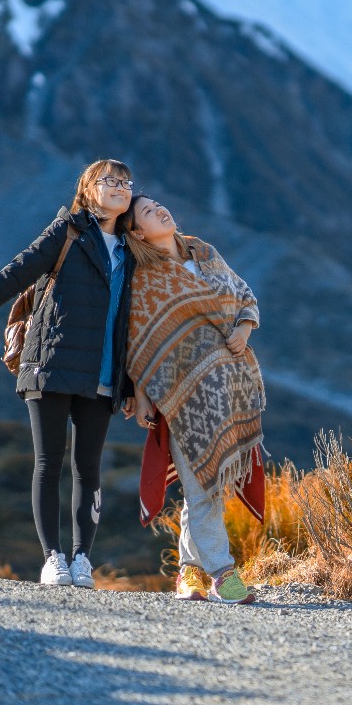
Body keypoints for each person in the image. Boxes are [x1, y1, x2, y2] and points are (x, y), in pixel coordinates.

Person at [0, 160, 138, 588]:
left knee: (88, 469)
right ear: (88, 190)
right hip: (51, 364)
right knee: (48, 462)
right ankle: (53, 558)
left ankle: (82, 559)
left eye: (125, 182)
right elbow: (17, 271)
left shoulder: (136, 248)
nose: (118, 187)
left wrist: (131, 383)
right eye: (108, 180)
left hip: (102, 373)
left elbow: (137, 320)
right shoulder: (68, 231)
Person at [124, 196, 266, 605]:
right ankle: (224, 574)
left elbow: (243, 294)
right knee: (202, 484)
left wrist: (244, 327)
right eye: (148, 213)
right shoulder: (146, 277)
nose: (160, 211)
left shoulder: (203, 250)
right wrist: (142, 392)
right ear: (137, 233)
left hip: (232, 389)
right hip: (182, 395)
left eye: (158, 205)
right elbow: (138, 341)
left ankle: (188, 574)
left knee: (206, 488)